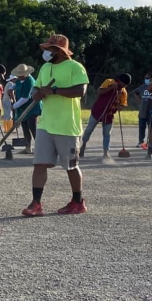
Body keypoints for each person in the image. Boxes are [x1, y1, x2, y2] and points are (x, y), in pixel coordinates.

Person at [22, 34, 90, 217]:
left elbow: (80, 90)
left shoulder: (75, 67)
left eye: (50, 49)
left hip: (67, 125)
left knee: (71, 166)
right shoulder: (45, 67)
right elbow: (37, 87)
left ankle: (78, 202)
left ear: (60, 51)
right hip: (45, 124)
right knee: (39, 164)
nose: (46, 52)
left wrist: (53, 91)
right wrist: (36, 93)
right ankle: (36, 203)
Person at [80, 73, 130, 157]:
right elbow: (100, 91)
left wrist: (120, 107)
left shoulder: (123, 92)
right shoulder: (109, 82)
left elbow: (122, 105)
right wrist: (111, 87)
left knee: (107, 134)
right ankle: (83, 144)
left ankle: (106, 153)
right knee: (89, 130)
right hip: (97, 111)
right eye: (123, 84)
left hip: (109, 115)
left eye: (125, 85)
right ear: (119, 80)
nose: (124, 86)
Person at [8, 63, 40, 155]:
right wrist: (11, 88)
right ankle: (28, 148)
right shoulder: (20, 79)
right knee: (25, 127)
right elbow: (16, 85)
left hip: (31, 107)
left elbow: (25, 98)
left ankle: (39, 148)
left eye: (20, 75)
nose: (19, 77)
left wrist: (14, 106)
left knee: (32, 127)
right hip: (23, 108)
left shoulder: (30, 81)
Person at [136, 73, 152, 149]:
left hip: (151, 110)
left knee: (151, 127)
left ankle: (151, 142)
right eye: (146, 78)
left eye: (148, 78)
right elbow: (136, 93)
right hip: (142, 110)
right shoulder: (142, 87)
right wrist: (139, 100)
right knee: (141, 127)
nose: (147, 79)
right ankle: (141, 141)